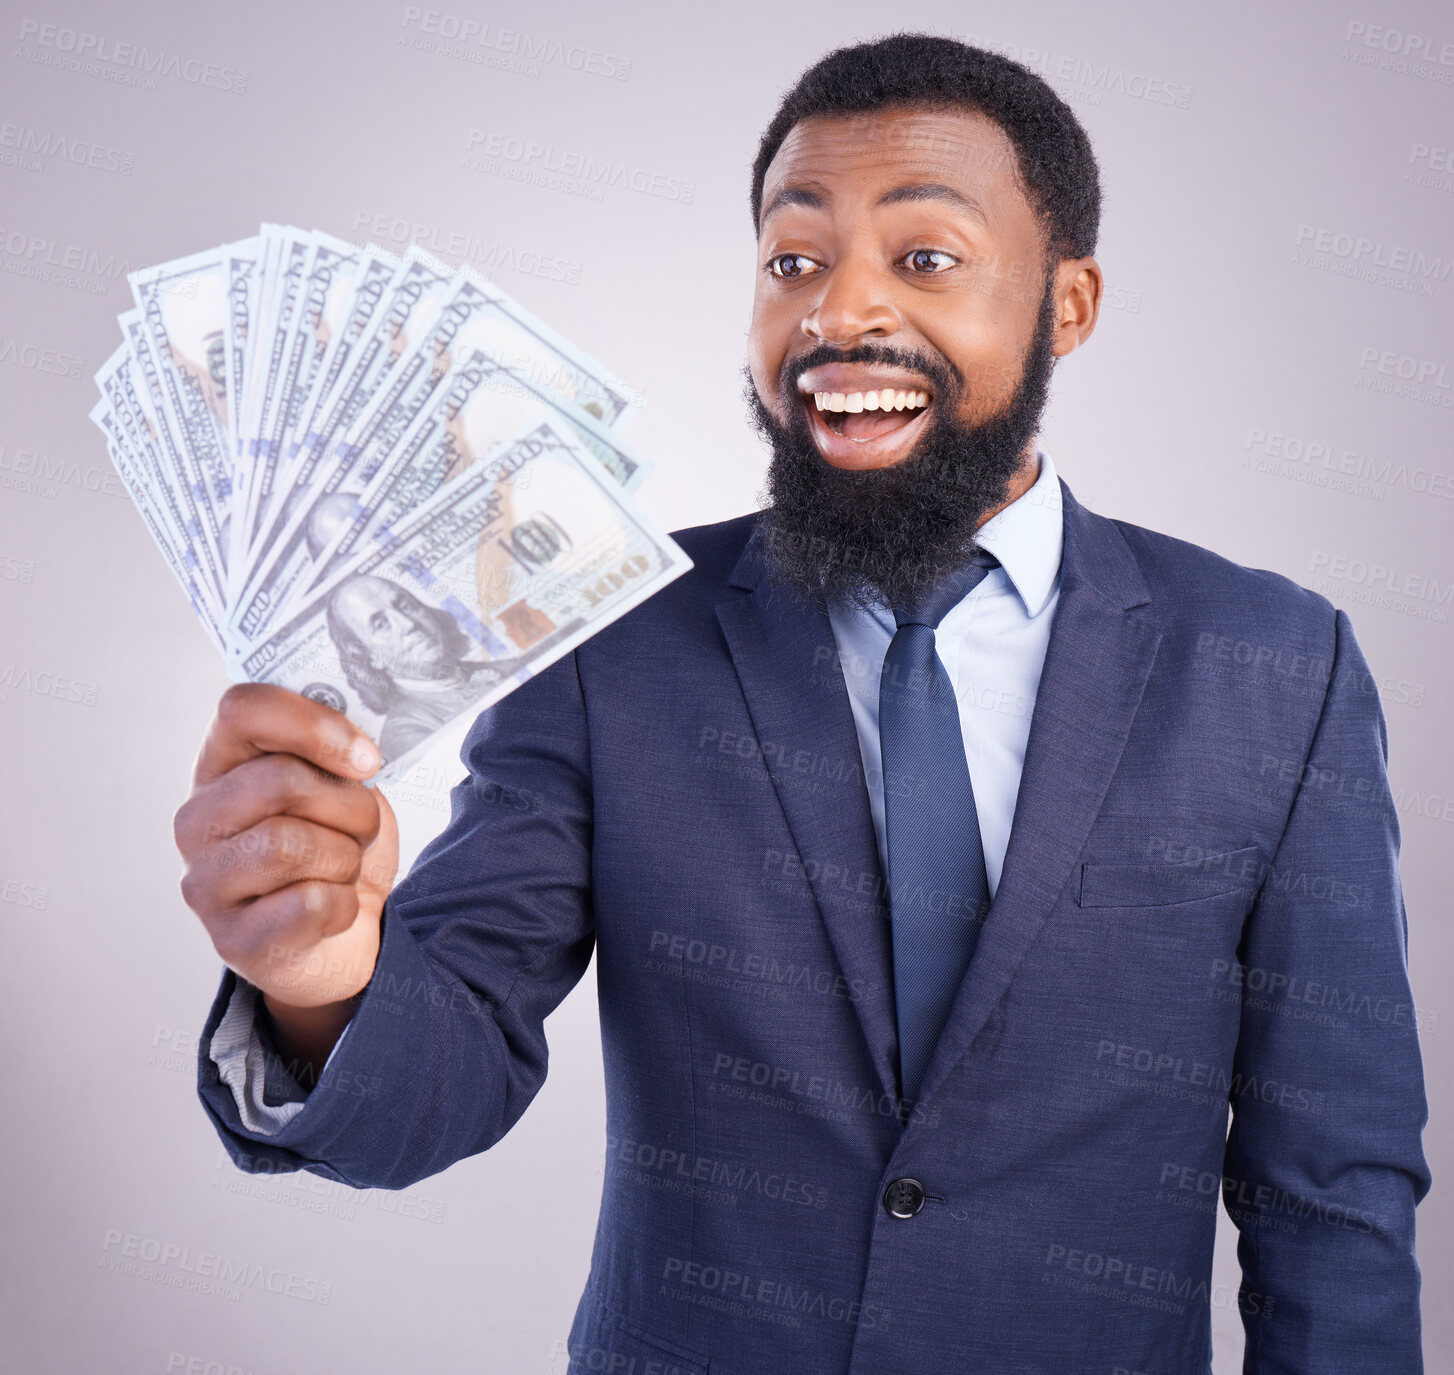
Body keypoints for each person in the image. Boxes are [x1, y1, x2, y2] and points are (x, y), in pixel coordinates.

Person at [174, 34, 1430, 1374]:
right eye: (793, 261)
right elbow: (437, 1076)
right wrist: (321, 978)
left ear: (1067, 304)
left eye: (926, 258)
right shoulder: (608, 639)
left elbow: (1329, 1189)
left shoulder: (1272, 665)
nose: (840, 314)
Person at [323, 573, 516, 760]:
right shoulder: (407, 735)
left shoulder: (511, 667)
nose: (408, 624)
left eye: (405, 606)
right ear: (369, 657)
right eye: (381, 625)